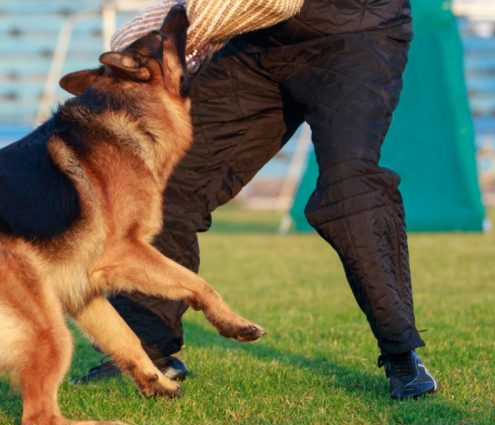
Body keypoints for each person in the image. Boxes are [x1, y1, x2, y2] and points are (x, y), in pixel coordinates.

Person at [73, 0, 438, 400]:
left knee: (350, 187)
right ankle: (146, 349)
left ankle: (401, 352)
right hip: (260, 37)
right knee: (168, 186)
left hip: (357, 34)